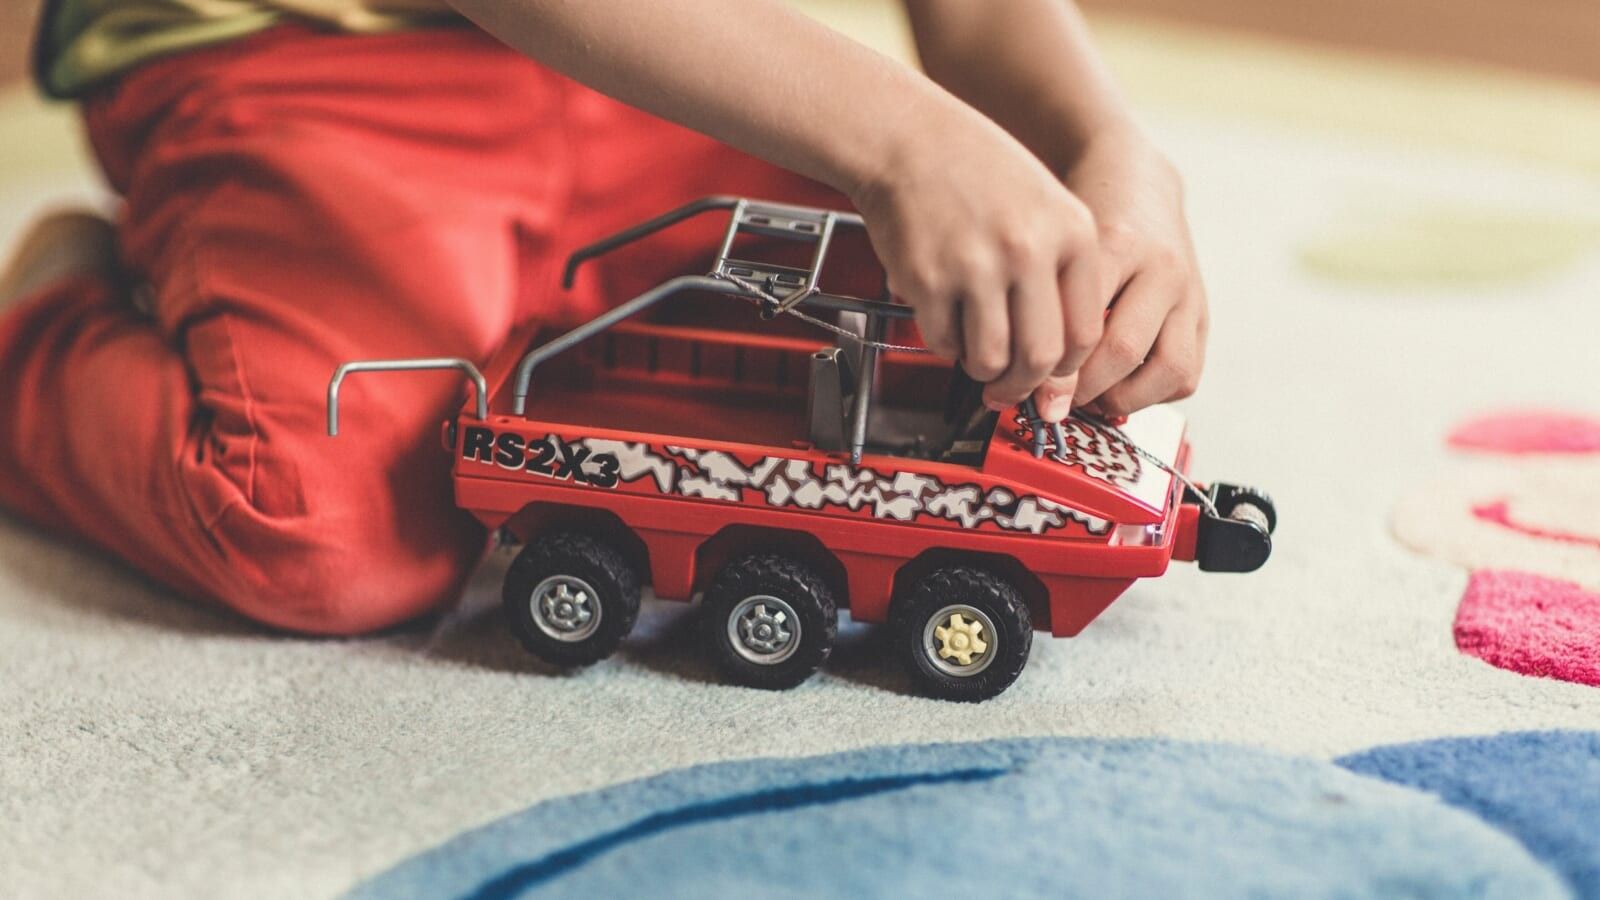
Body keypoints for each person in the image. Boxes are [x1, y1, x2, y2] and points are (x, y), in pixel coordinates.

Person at [0, 0, 1207, 633]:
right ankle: (46, 312)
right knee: (316, 523)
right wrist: (903, 141)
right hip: (310, 65)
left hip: (679, 52)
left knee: (986, 291)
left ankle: (510, 288)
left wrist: (1112, 155)